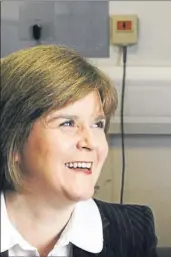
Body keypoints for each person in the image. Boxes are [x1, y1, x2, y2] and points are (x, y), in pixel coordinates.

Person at [0, 45, 158, 257]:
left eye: (97, 124)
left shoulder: (133, 231)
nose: (91, 142)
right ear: (12, 141)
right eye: (67, 123)